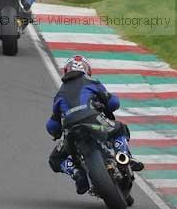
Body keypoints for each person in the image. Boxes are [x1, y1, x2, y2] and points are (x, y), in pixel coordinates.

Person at [47, 55, 143, 195]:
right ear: (87, 70)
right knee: (119, 128)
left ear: (66, 71)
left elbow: (52, 126)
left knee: (55, 158)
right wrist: (105, 104)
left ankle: (77, 174)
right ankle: (123, 155)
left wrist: (56, 133)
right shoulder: (91, 81)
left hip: (71, 129)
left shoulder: (59, 94)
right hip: (93, 119)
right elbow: (114, 103)